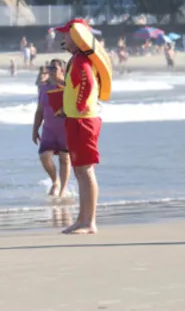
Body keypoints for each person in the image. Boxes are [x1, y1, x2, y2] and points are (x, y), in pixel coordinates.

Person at [56, 18, 104, 235]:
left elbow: (88, 83)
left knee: (85, 170)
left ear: (77, 37)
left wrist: (79, 104)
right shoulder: (76, 58)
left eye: (66, 34)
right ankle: (81, 219)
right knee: (79, 171)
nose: (63, 38)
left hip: (84, 121)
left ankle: (90, 222)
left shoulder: (82, 61)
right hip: (75, 119)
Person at [32, 59, 70, 197]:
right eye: (49, 68)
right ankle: (55, 181)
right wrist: (35, 129)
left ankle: (63, 189)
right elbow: (39, 111)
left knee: (64, 158)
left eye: (54, 68)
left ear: (63, 70)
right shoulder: (44, 88)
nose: (51, 71)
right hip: (48, 129)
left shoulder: (69, 88)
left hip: (65, 129)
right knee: (44, 156)